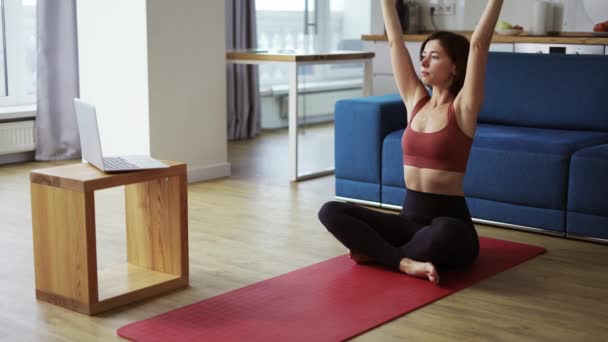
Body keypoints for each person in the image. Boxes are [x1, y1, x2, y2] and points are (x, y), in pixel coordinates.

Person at [318, 0, 505, 285]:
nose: (424, 62)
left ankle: (382, 255)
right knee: (331, 211)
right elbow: (395, 43)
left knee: (444, 234)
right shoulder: (416, 101)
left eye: (435, 56)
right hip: (409, 222)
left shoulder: (463, 108)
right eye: (423, 55)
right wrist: (386, 4)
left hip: (450, 224)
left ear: (455, 67)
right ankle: (404, 262)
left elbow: (479, 45)